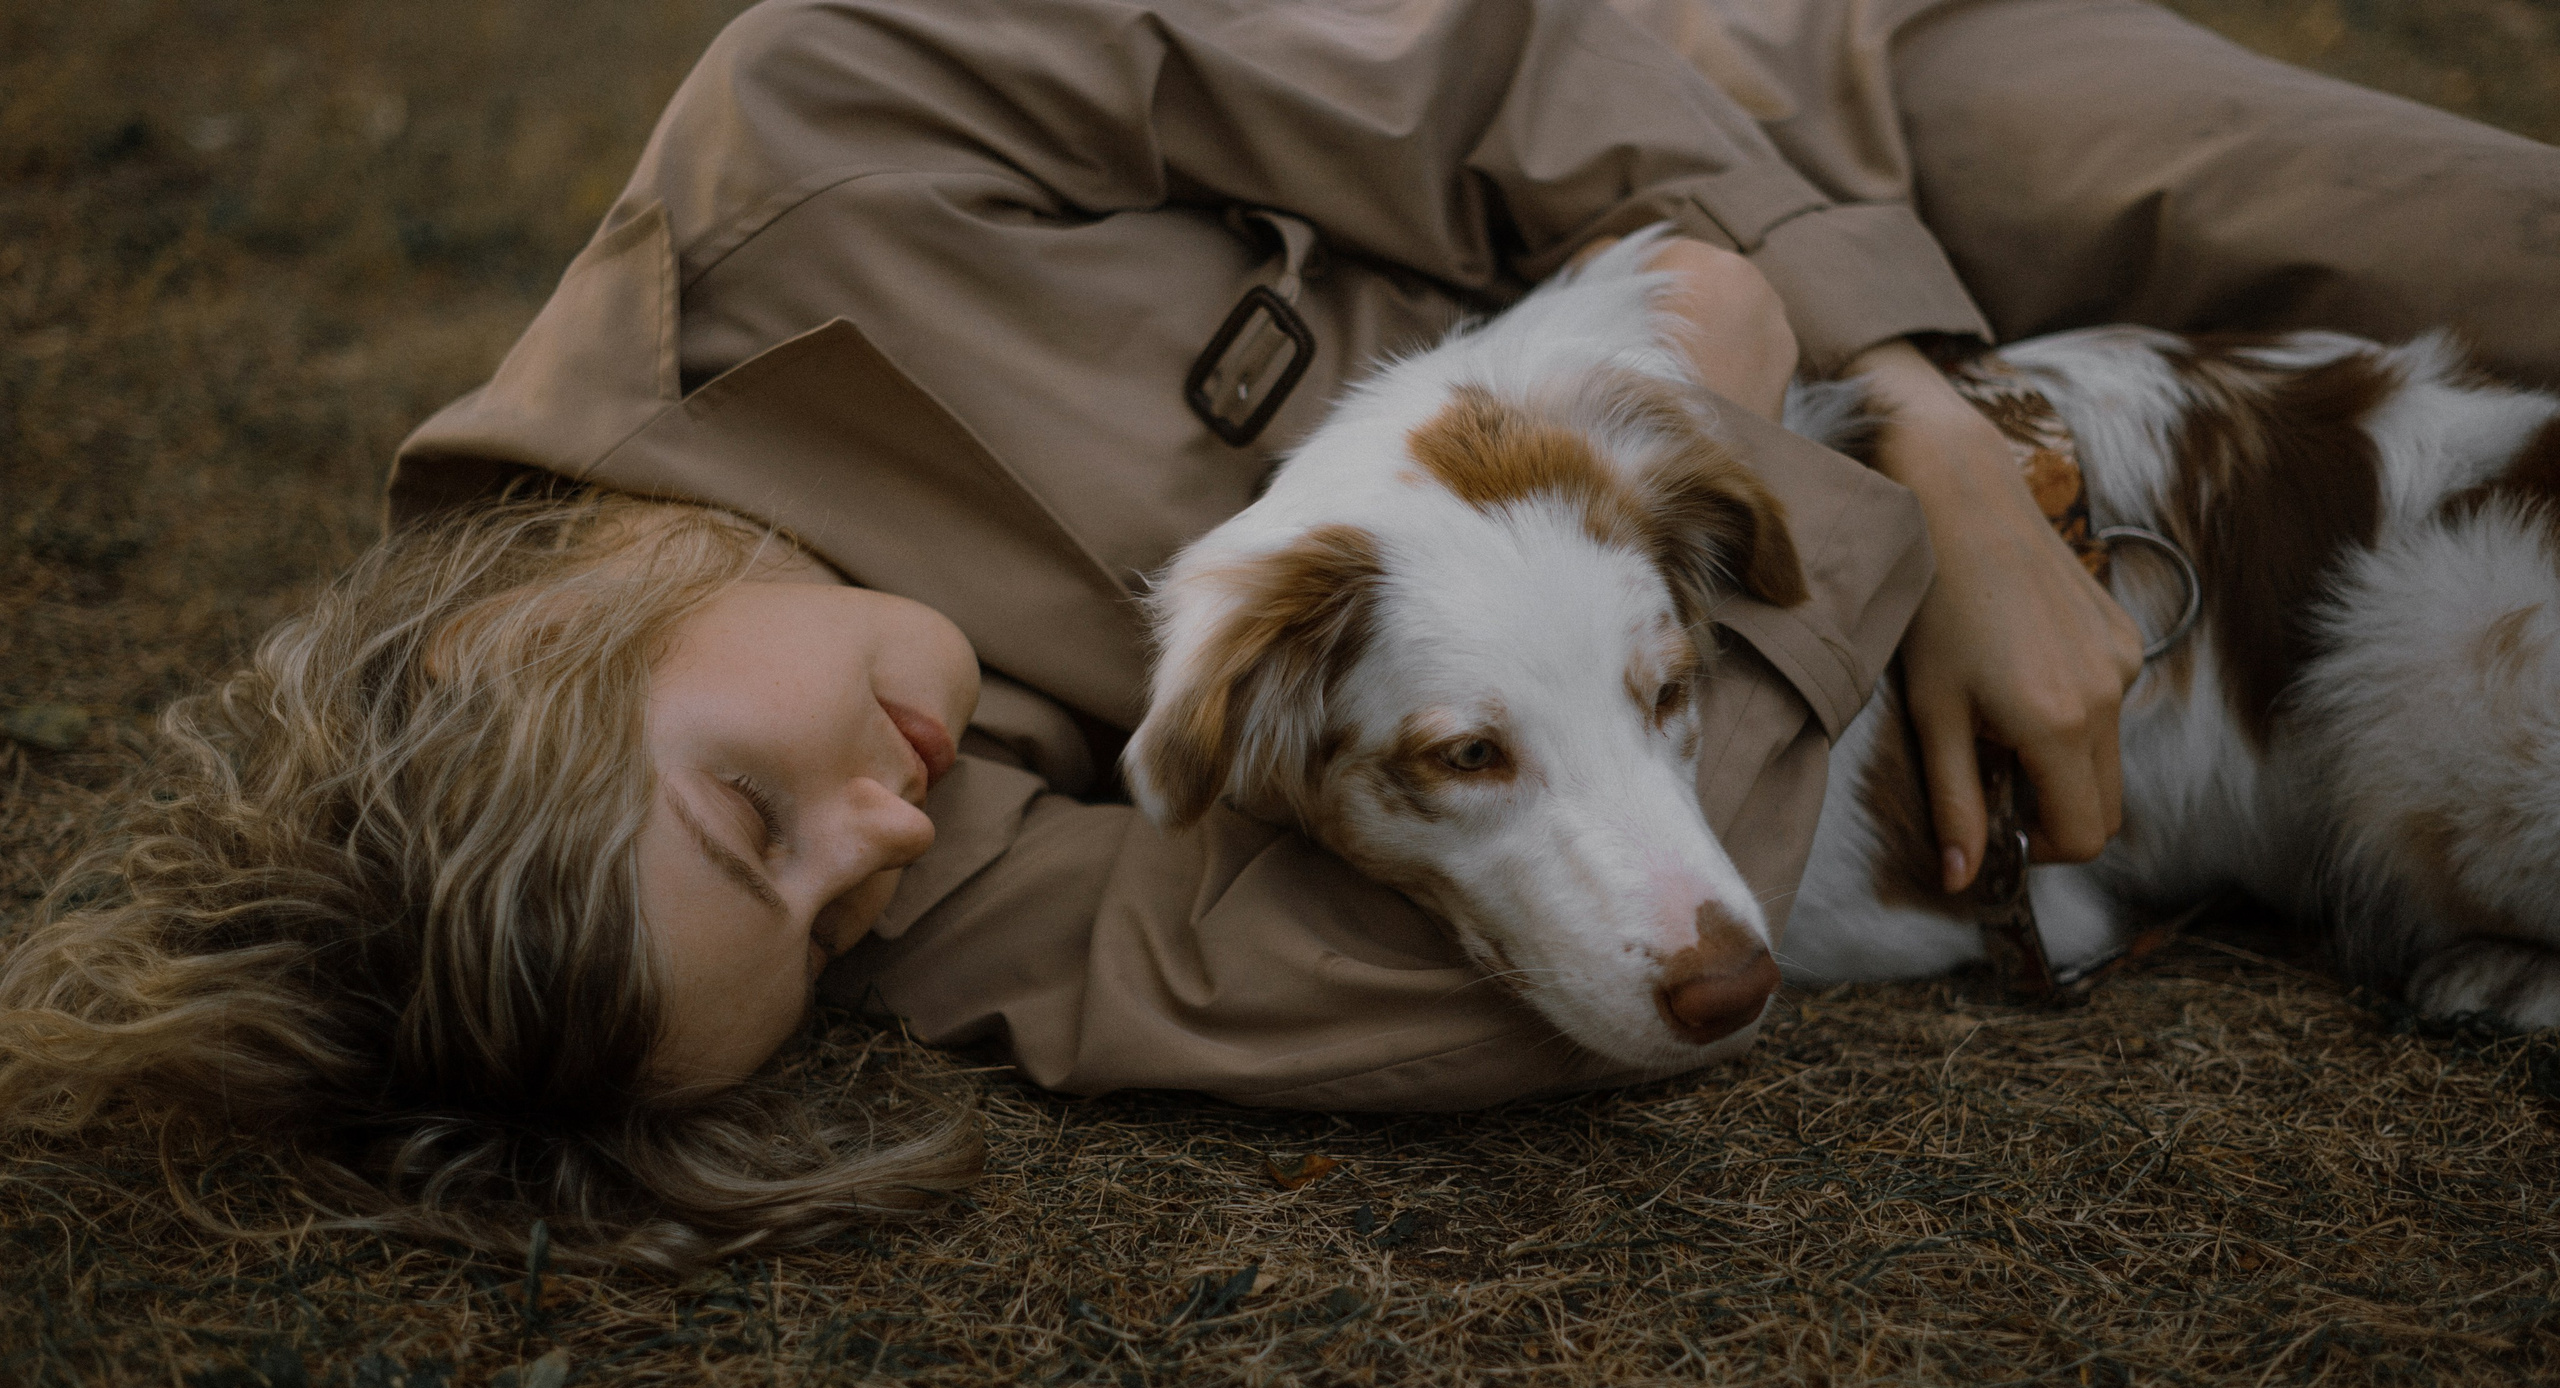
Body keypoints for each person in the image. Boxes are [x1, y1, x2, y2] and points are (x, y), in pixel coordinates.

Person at [4, 0, 2554, 1267]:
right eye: (817, 923)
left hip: (1776, 113)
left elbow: (1503, 50)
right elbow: (1451, 996)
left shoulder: (808, 130)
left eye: (747, 810)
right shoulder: (914, 839)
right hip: (1739, 493)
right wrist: (1775, 533)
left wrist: (1921, 437)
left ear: (500, 657)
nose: (879, 835)